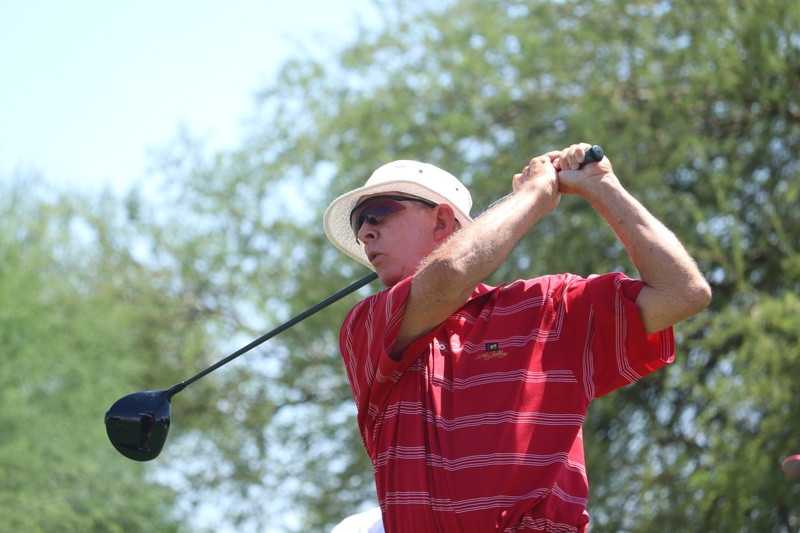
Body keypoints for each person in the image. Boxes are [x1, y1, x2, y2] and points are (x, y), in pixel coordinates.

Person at [322, 144, 711, 533]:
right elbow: (450, 272)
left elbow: (683, 292)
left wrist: (602, 186)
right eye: (358, 224)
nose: (365, 232)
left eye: (378, 213)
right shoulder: (366, 325)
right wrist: (535, 194)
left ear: (442, 221)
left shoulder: (548, 306)